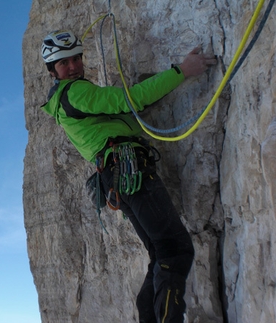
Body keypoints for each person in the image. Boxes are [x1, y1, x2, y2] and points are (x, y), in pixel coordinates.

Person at [40, 29, 217, 323]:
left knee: (160, 255)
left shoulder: (63, 101)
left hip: (117, 176)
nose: (72, 67)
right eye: (63, 63)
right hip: (129, 167)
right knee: (175, 250)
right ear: (53, 71)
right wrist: (182, 71)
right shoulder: (76, 92)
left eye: (75, 59)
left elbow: (125, 114)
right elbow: (131, 100)